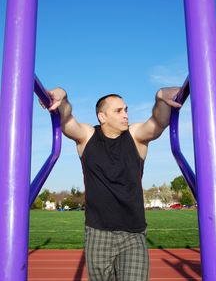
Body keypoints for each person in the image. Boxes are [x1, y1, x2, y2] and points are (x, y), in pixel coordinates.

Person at [46, 87, 181, 281]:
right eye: (118, 111)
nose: (125, 115)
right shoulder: (87, 136)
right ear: (102, 116)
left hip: (133, 234)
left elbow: (159, 122)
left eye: (126, 109)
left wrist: (161, 97)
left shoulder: (135, 136)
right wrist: (61, 95)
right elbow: (66, 120)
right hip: (98, 233)